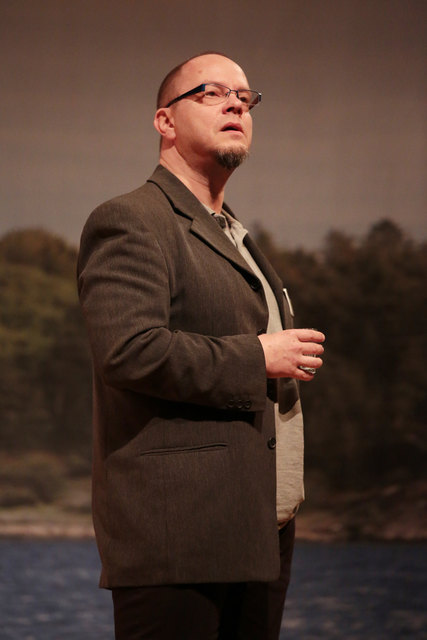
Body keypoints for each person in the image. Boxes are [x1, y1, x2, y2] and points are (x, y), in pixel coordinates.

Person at [77, 52, 325, 640]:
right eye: (212, 93)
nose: (236, 104)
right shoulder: (131, 220)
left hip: (259, 534)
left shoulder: (235, 235)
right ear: (164, 121)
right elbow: (129, 350)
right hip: (180, 538)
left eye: (245, 97)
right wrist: (257, 357)